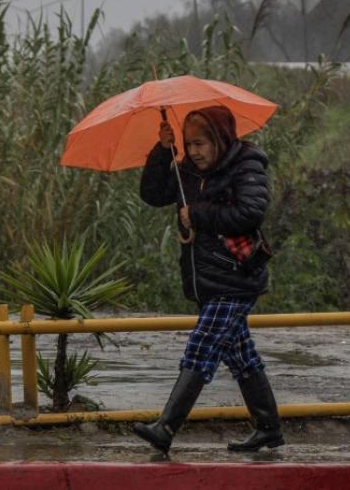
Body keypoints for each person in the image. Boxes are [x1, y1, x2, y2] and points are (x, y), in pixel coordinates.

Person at [133, 105, 282, 454]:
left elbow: (251, 211)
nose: (195, 151)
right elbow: (153, 195)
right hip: (206, 277)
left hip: (236, 276)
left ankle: (166, 427)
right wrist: (162, 150)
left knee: (201, 346)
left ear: (219, 139)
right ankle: (269, 428)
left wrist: (197, 214)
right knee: (241, 354)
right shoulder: (186, 167)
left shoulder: (246, 164)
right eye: (189, 144)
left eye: (200, 143)